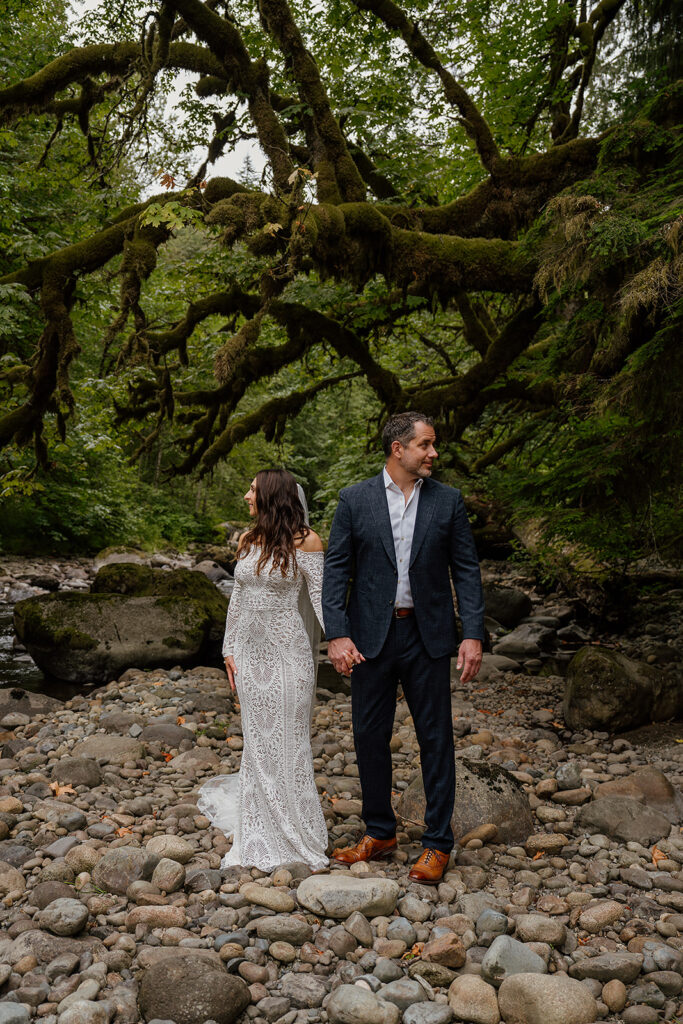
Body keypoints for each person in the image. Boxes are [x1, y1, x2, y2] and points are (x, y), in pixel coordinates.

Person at [321, 412, 484, 884]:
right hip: (369, 638)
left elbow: (466, 571)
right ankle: (380, 831)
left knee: (435, 738)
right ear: (399, 448)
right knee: (369, 736)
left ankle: (437, 844)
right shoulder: (355, 499)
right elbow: (337, 570)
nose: (434, 453)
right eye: (426, 445)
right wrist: (337, 633)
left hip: (427, 635)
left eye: (433, 445)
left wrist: (471, 633)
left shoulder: (448, 501)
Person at [198, 469, 328, 871]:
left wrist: (345, 643)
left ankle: (297, 834)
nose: (245, 496)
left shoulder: (307, 541)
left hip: (289, 655)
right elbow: (237, 598)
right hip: (250, 657)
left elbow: (323, 600)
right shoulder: (248, 539)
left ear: (272, 495)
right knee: (257, 744)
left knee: (288, 744)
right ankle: (259, 831)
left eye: (252, 490)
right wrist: (228, 650)